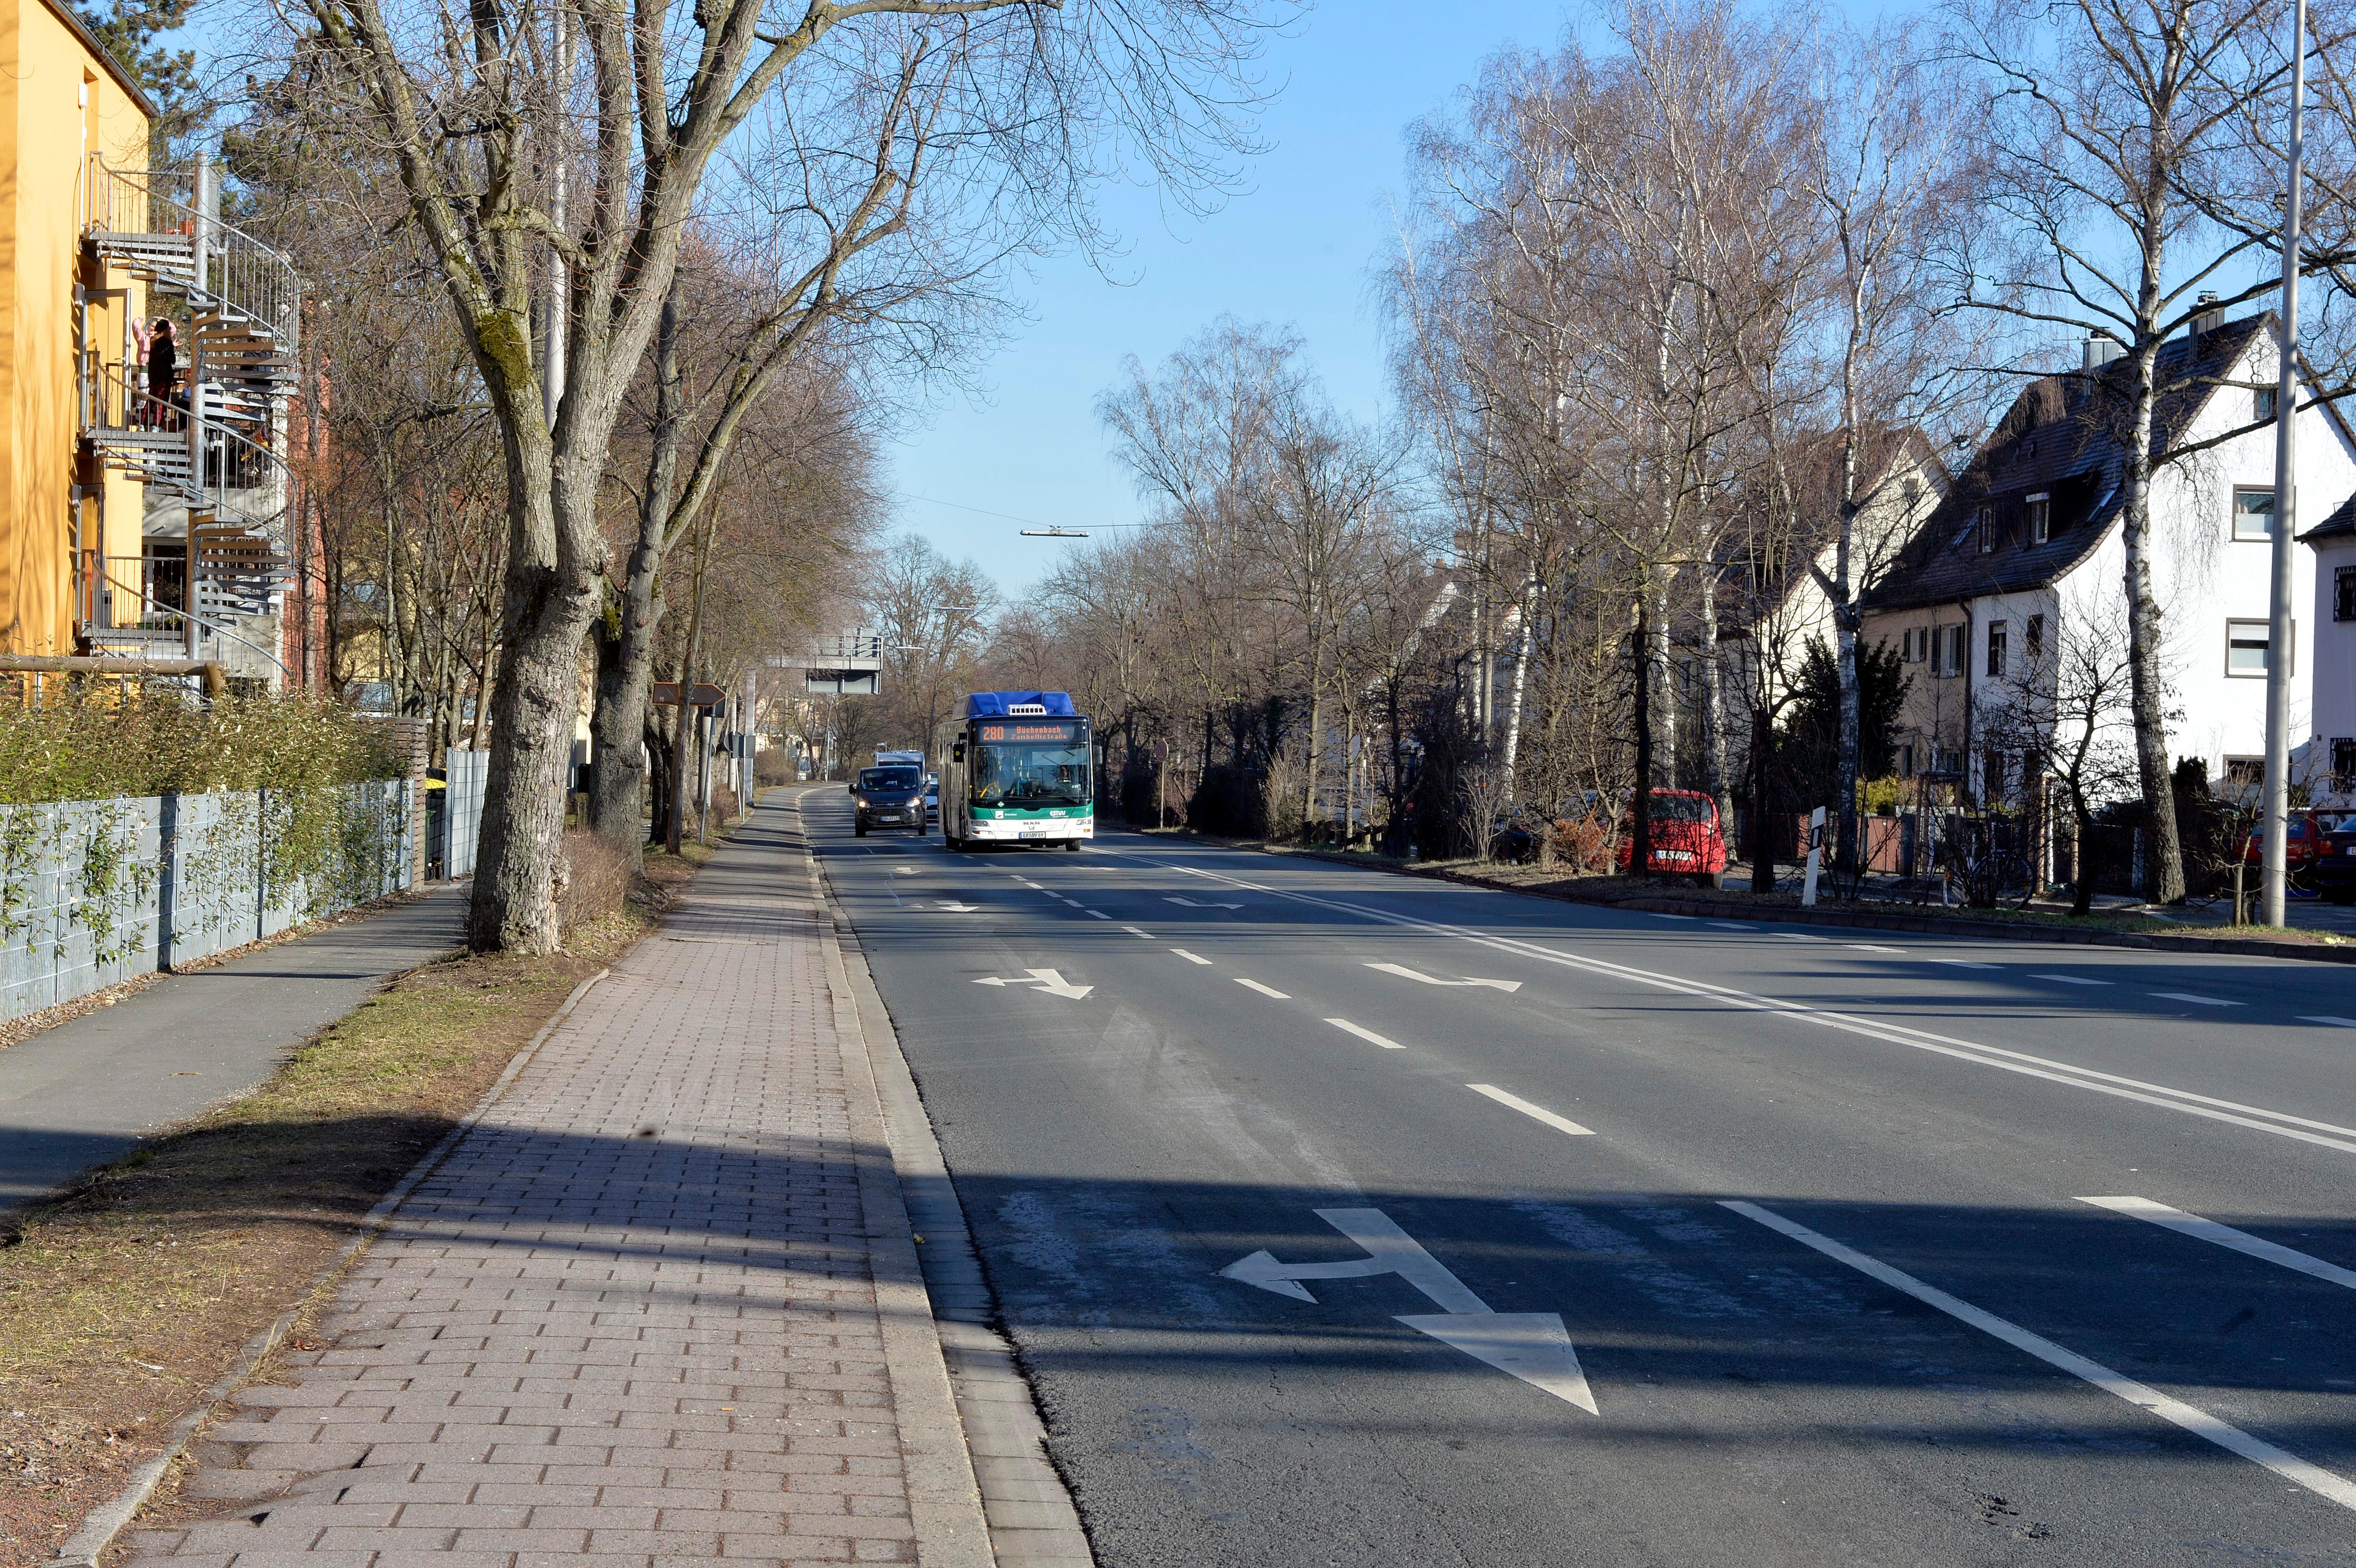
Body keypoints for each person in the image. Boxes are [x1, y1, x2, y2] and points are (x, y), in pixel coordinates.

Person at [145, 318, 177, 430]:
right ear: (166, 330)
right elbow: (173, 360)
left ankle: (143, 423)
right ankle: (156, 425)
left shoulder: (153, 341)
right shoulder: (167, 343)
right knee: (161, 401)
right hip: (164, 376)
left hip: (153, 375)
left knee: (151, 400)